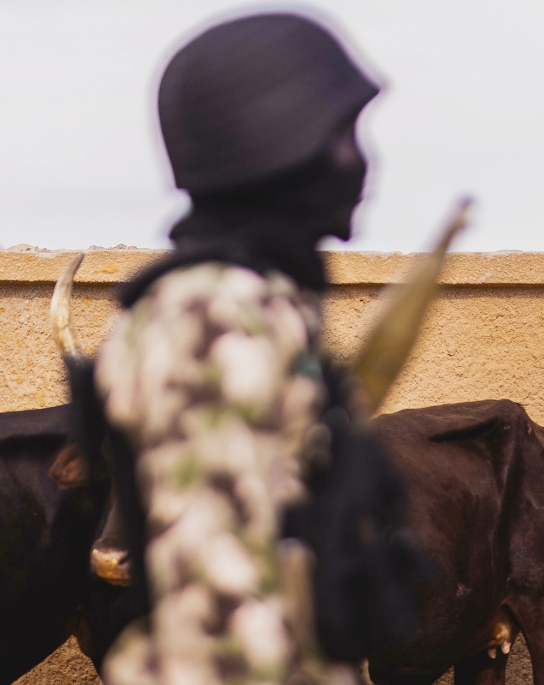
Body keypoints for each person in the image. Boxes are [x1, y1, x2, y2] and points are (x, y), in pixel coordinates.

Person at [90, 13, 398, 685]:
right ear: (274, 145)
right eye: (342, 132)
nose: (363, 160)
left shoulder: (256, 300)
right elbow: (220, 623)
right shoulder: (213, 313)